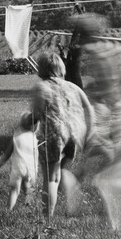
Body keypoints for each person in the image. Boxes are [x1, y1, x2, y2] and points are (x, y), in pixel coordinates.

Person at [31, 51, 95, 218]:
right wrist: (90, 130)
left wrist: (27, 126)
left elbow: (36, 114)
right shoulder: (73, 86)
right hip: (74, 135)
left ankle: (47, 217)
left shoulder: (42, 87)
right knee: (59, 171)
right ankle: (71, 192)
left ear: (42, 69)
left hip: (53, 136)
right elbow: (89, 108)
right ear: (61, 68)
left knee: (50, 178)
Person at [0, 111, 38, 211]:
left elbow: (7, 153)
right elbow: (37, 155)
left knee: (14, 189)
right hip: (30, 168)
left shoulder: (16, 136)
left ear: (20, 124)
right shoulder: (34, 138)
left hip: (18, 167)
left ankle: (9, 209)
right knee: (29, 188)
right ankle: (28, 207)